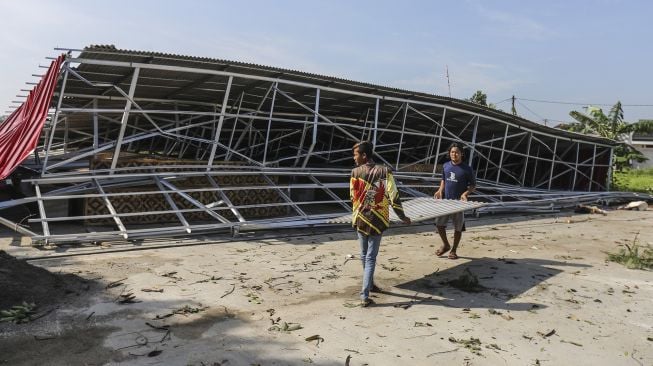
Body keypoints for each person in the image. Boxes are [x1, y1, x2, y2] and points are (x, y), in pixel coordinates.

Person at [350, 141, 411, 307]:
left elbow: (353, 197)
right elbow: (394, 196)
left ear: (364, 155)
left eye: (356, 154)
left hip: (360, 218)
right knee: (370, 258)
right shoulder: (384, 171)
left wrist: (360, 210)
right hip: (377, 219)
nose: (354, 158)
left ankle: (369, 285)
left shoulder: (355, 172)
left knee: (364, 255)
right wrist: (402, 216)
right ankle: (364, 295)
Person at [433, 143, 476, 260]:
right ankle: (446, 245)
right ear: (449, 153)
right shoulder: (446, 166)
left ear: (461, 153)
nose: (454, 154)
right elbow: (443, 179)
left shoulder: (467, 169)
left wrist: (465, 194)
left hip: (459, 204)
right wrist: (439, 190)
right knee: (439, 225)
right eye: (452, 152)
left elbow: (473, 186)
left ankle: (453, 250)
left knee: (458, 228)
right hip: (445, 202)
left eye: (456, 152)